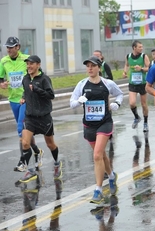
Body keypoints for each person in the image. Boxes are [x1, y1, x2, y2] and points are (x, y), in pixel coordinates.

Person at [70, 56, 123, 204]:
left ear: (99, 67)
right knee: (100, 155)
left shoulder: (107, 83)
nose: (90, 68)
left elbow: (119, 94)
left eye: (93, 66)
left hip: (104, 123)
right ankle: (111, 176)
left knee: (97, 155)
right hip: (89, 125)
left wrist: (117, 104)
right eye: (88, 66)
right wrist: (78, 101)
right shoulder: (81, 84)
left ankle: (98, 190)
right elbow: (72, 103)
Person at [16, 55, 63, 191]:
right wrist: (24, 97)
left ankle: (56, 163)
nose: (29, 66)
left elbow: (51, 95)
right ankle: (29, 169)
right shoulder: (25, 79)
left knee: (50, 144)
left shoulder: (44, 79)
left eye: (31, 64)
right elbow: (26, 91)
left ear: (38, 65)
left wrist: (37, 89)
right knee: (25, 142)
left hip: (44, 117)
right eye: (27, 64)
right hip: (30, 117)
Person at [0, 36, 42, 172]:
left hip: (26, 99)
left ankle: (22, 162)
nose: (9, 50)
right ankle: (37, 151)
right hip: (13, 100)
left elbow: (38, 74)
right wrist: (2, 84)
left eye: (11, 47)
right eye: (7, 47)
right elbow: (0, 79)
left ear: (18, 47)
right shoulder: (3, 61)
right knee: (26, 131)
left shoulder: (26, 59)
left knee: (20, 128)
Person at [122, 40, 150, 131]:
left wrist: (141, 68)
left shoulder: (144, 56)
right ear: (134, 47)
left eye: (142, 47)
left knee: (144, 104)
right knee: (132, 103)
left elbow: (149, 68)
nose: (141, 48)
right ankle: (137, 117)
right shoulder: (128, 56)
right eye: (139, 47)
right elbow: (126, 65)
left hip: (142, 83)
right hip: (132, 83)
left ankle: (145, 123)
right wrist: (125, 72)